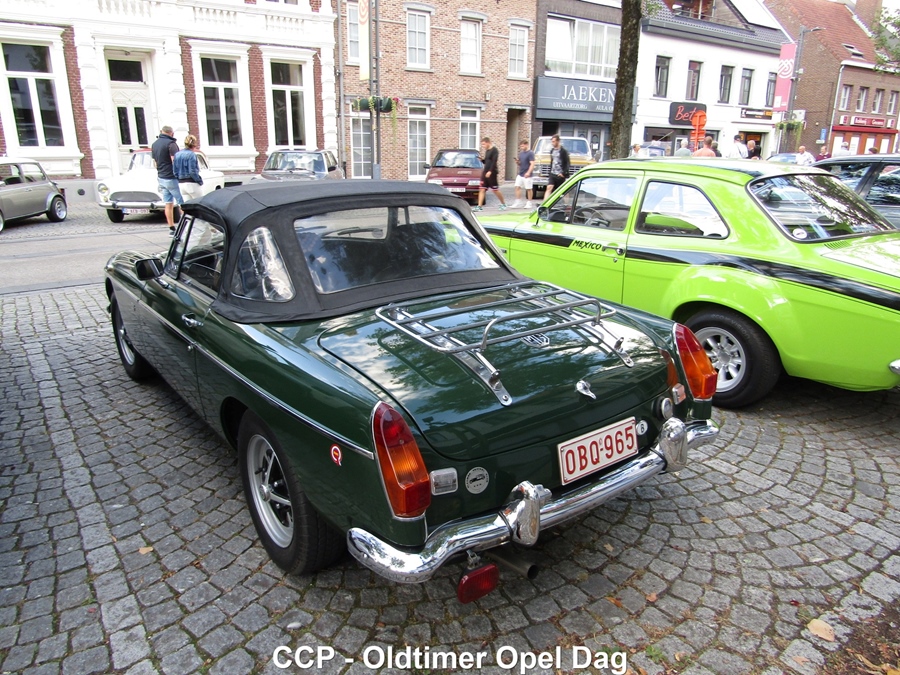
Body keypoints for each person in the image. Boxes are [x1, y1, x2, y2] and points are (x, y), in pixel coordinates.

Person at [151, 125, 183, 233]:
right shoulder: (171, 144)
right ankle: (186, 228)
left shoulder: (155, 144)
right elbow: (175, 161)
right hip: (172, 177)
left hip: (161, 177)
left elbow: (155, 162)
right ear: (171, 133)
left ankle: (171, 228)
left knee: (168, 203)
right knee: (182, 203)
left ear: (162, 132)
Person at [473, 137, 506, 211]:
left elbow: (494, 162)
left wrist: (490, 171)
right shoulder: (487, 151)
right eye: (482, 144)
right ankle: (479, 206)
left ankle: (503, 204)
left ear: (488, 142)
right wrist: (482, 160)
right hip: (485, 172)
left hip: (492, 173)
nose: (483, 146)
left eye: (484, 144)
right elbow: (487, 161)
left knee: (495, 189)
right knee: (482, 189)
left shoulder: (494, 150)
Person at [173, 135, 204, 201]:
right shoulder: (192, 155)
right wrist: (199, 181)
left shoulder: (177, 154)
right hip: (191, 183)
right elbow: (192, 171)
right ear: (194, 144)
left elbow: (175, 171)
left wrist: (179, 179)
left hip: (181, 184)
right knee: (200, 203)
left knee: (187, 204)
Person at [544, 134, 570, 200]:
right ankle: (544, 204)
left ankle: (567, 204)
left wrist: (563, 173)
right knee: (549, 188)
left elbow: (567, 163)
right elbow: (552, 161)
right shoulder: (552, 150)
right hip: (553, 173)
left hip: (560, 174)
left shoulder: (563, 151)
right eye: (552, 141)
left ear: (558, 141)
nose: (552, 143)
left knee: (563, 191)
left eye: (553, 141)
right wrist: (550, 172)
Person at [512, 139, 535, 209]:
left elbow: (532, 164)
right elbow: (520, 163)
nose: (521, 148)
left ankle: (529, 202)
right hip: (521, 173)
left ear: (526, 145)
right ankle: (518, 201)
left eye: (522, 146)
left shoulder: (530, 153)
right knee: (517, 187)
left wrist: (528, 172)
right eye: (521, 146)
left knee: (528, 188)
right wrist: (517, 162)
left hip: (527, 174)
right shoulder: (521, 153)